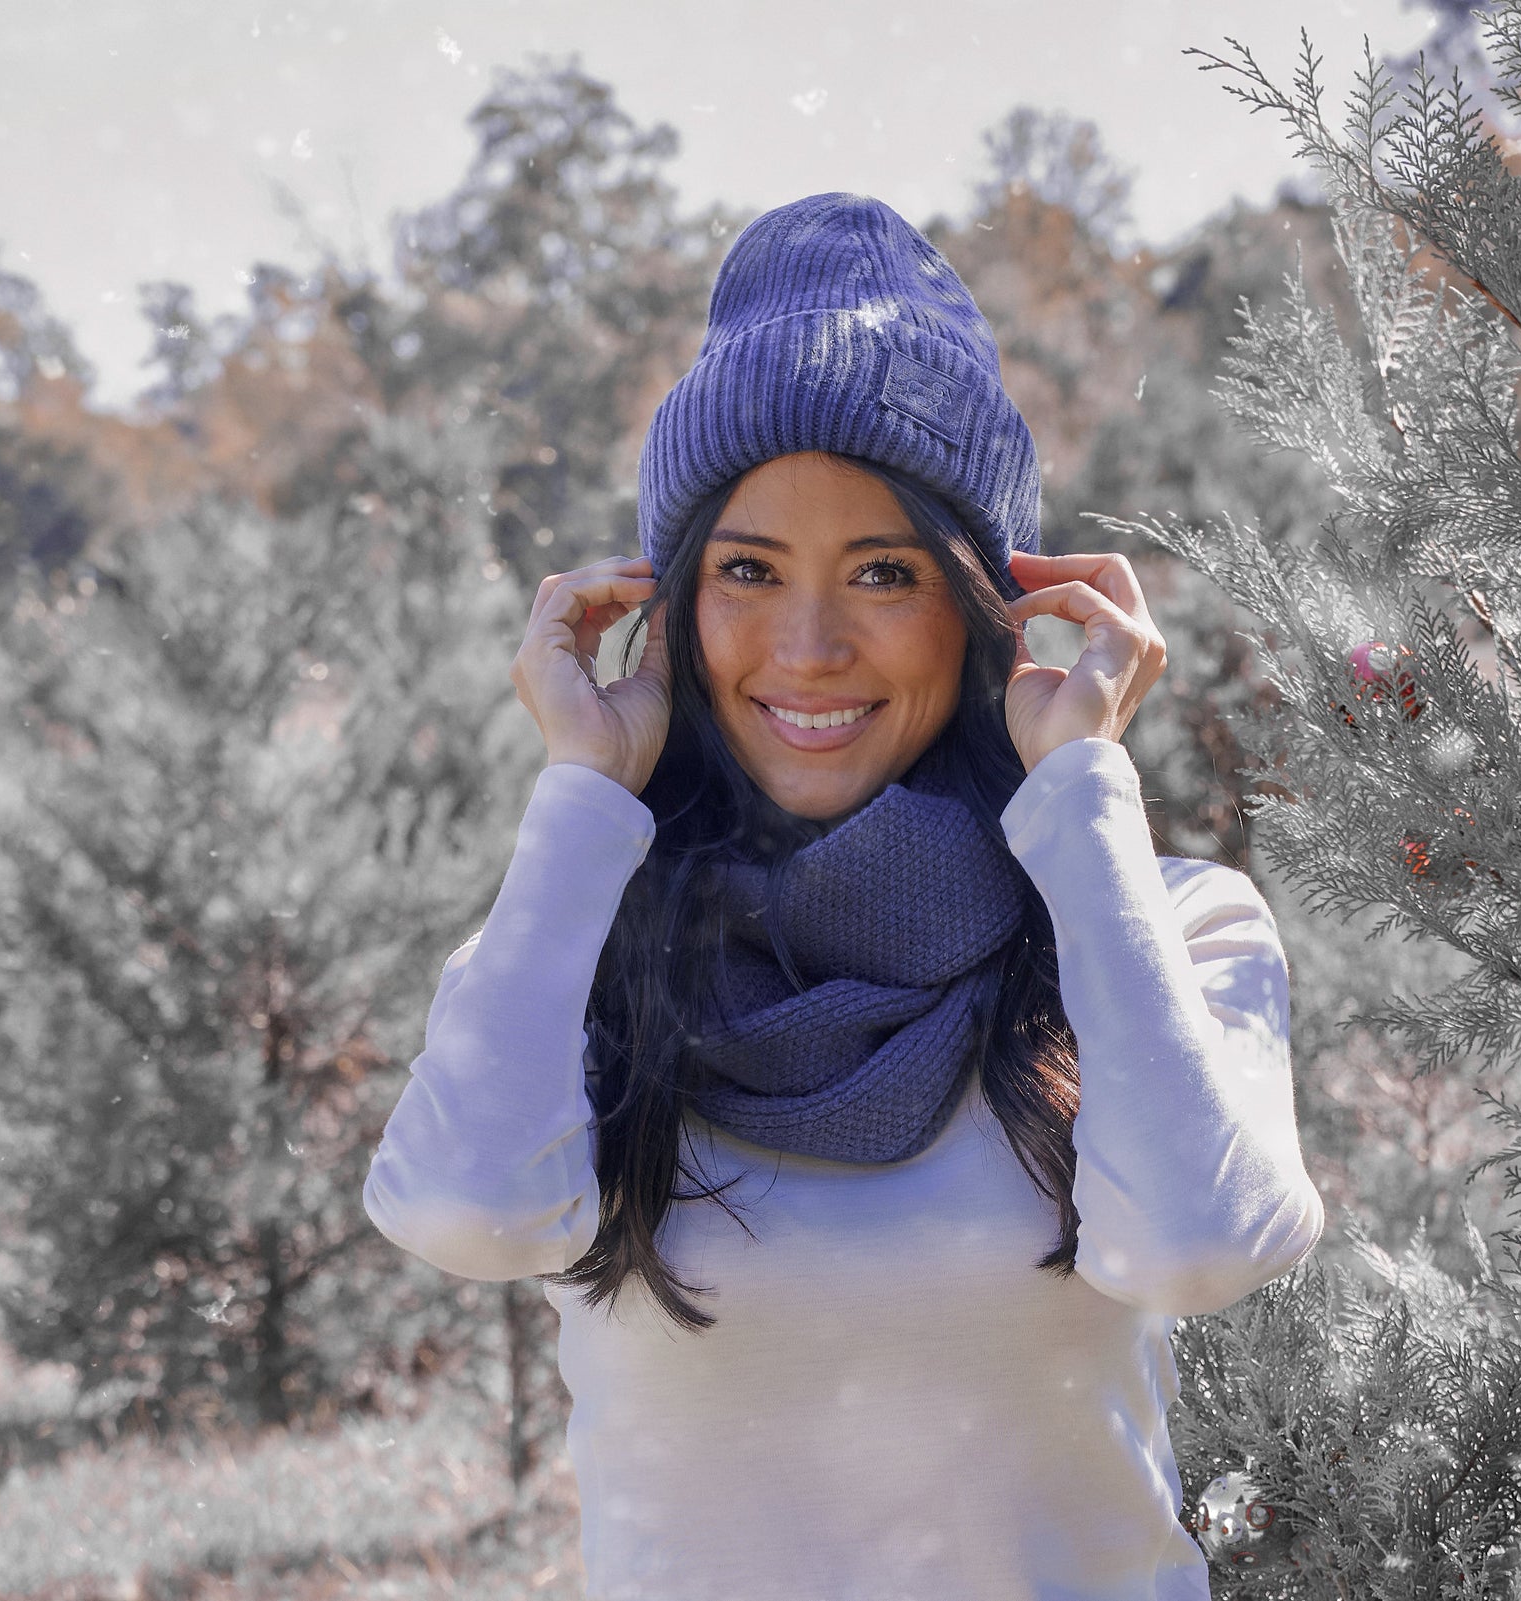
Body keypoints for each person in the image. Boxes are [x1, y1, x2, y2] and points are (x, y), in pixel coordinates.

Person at [363, 191, 1323, 1600]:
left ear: (984, 606)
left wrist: (1082, 792)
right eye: (748, 571)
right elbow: (463, 1214)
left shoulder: (1163, 924)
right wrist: (583, 791)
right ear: (672, 607)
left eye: (884, 572)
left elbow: (1196, 1244)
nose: (808, 646)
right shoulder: (570, 954)